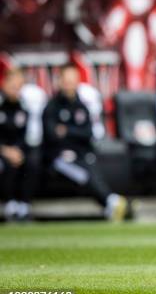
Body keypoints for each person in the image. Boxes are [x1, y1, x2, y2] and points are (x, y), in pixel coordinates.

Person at [42, 64, 127, 221]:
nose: (69, 85)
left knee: (90, 168)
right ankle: (111, 201)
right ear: (59, 82)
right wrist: (73, 133)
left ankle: (110, 203)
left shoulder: (82, 106)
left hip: (82, 154)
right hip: (60, 157)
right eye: (66, 80)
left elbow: (88, 133)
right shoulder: (51, 107)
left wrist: (66, 130)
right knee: (83, 174)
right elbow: (51, 135)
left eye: (73, 81)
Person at [0, 68, 40, 221]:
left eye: (19, 86)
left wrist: (17, 150)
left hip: (16, 150)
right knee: (5, 165)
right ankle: (9, 203)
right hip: (2, 151)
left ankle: (24, 204)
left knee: (32, 162)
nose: (16, 90)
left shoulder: (23, 107)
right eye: (13, 85)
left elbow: (24, 135)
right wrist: (5, 150)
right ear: (4, 83)